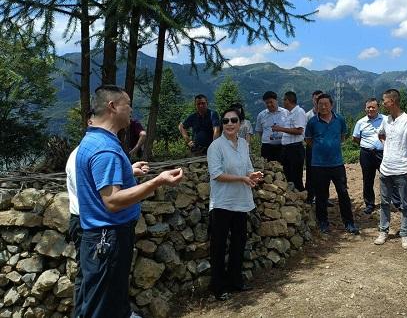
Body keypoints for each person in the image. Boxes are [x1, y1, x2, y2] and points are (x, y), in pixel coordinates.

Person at [76, 85, 184, 317]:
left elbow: (100, 183)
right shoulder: (105, 149)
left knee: (107, 305)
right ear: (112, 106)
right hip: (109, 238)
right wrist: (158, 181)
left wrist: (127, 171)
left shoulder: (94, 140)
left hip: (100, 237)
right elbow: (113, 201)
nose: (132, 110)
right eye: (128, 104)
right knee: (102, 309)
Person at [66, 114, 149, 318]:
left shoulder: (87, 149)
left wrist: (128, 171)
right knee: (93, 282)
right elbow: (106, 196)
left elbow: (98, 179)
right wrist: (157, 182)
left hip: (91, 223)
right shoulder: (101, 150)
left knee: (94, 280)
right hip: (95, 225)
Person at [207, 107, 264, 301]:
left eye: (233, 120)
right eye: (226, 121)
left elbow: (248, 169)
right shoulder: (216, 146)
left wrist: (253, 175)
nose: (229, 124)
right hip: (222, 203)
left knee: (238, 244)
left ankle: (235, 281)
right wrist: (242, 178)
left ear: (240, 124)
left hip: (241, 201)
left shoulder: (244, 145)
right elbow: (216, 174)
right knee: (219, 246)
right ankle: (218, 286)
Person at [305, 93, 359, 235]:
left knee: (343, 193)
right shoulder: (312, 122)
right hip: (318, 165)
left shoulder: (339, 119)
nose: (323, 107)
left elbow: (342, 137)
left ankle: (349, 222)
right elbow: (309, 140)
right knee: (321, 195)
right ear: (316, 105)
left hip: (337, 164)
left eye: (326, 104)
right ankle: (323, 222)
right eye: (320, 104)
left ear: (331, 105)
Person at [374, 89, 407, 249]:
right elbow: (381, 134)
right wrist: (387, 145)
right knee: (384, 202)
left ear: (392, 102)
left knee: (405, 204)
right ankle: (383, 231)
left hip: (403, 169)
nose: (382, 103)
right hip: (386, 169)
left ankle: (405, 234)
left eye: (384, 100)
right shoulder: (386, 120)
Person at [352, 98, 384, 215]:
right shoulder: (360, 122)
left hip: (382, 153)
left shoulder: (386, 119)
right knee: (367, 179)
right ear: (365, 109)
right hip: (366, 154)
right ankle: (369, 204)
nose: (371, 109)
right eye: (368, 107)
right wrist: (366, 144)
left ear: (378, 108)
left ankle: (394, 202)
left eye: (373, 107)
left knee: (387, 177)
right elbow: (355, 138)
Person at [272, 91, 307, 191]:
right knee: (288, 175)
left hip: (295, 148)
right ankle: (292, 196)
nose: (283, 102)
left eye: (284, 100)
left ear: (289, 100)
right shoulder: (289, 113)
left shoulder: (299, 112)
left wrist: (280, 129)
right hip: (287, 148)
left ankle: (300, 195)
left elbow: (299, 131)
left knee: (296, 176)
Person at [254, 91, 287, 163]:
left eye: (271, 102)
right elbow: (259, 131)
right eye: (267, 103)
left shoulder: (285, 113)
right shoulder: (261, 115)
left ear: (276, 100)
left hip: (283, 146)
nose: (269, 104)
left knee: (284, 167)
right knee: (267, 168)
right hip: (267, 148)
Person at [304, 90, 323, 204]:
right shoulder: (307, 116)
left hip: (325, 149)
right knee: (311, 173)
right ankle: (310, 197)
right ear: (313, 100)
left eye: (320, 99)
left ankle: (324, 197)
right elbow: (305, 136)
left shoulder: (328, 115)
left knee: (324, 174)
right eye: (316, 99)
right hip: (312, 148)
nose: (318, 101)